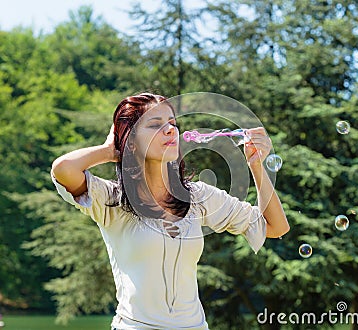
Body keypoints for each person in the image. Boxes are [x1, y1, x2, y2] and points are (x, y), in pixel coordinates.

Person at [51, 92, 290, 330]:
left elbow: (275, 226)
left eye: (172, 123)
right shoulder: (112, 201)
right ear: (131, 141)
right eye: (155, 125)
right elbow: (63, 169)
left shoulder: (199, 197)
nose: (169, 130)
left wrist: (256, 165)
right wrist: (111, 150)